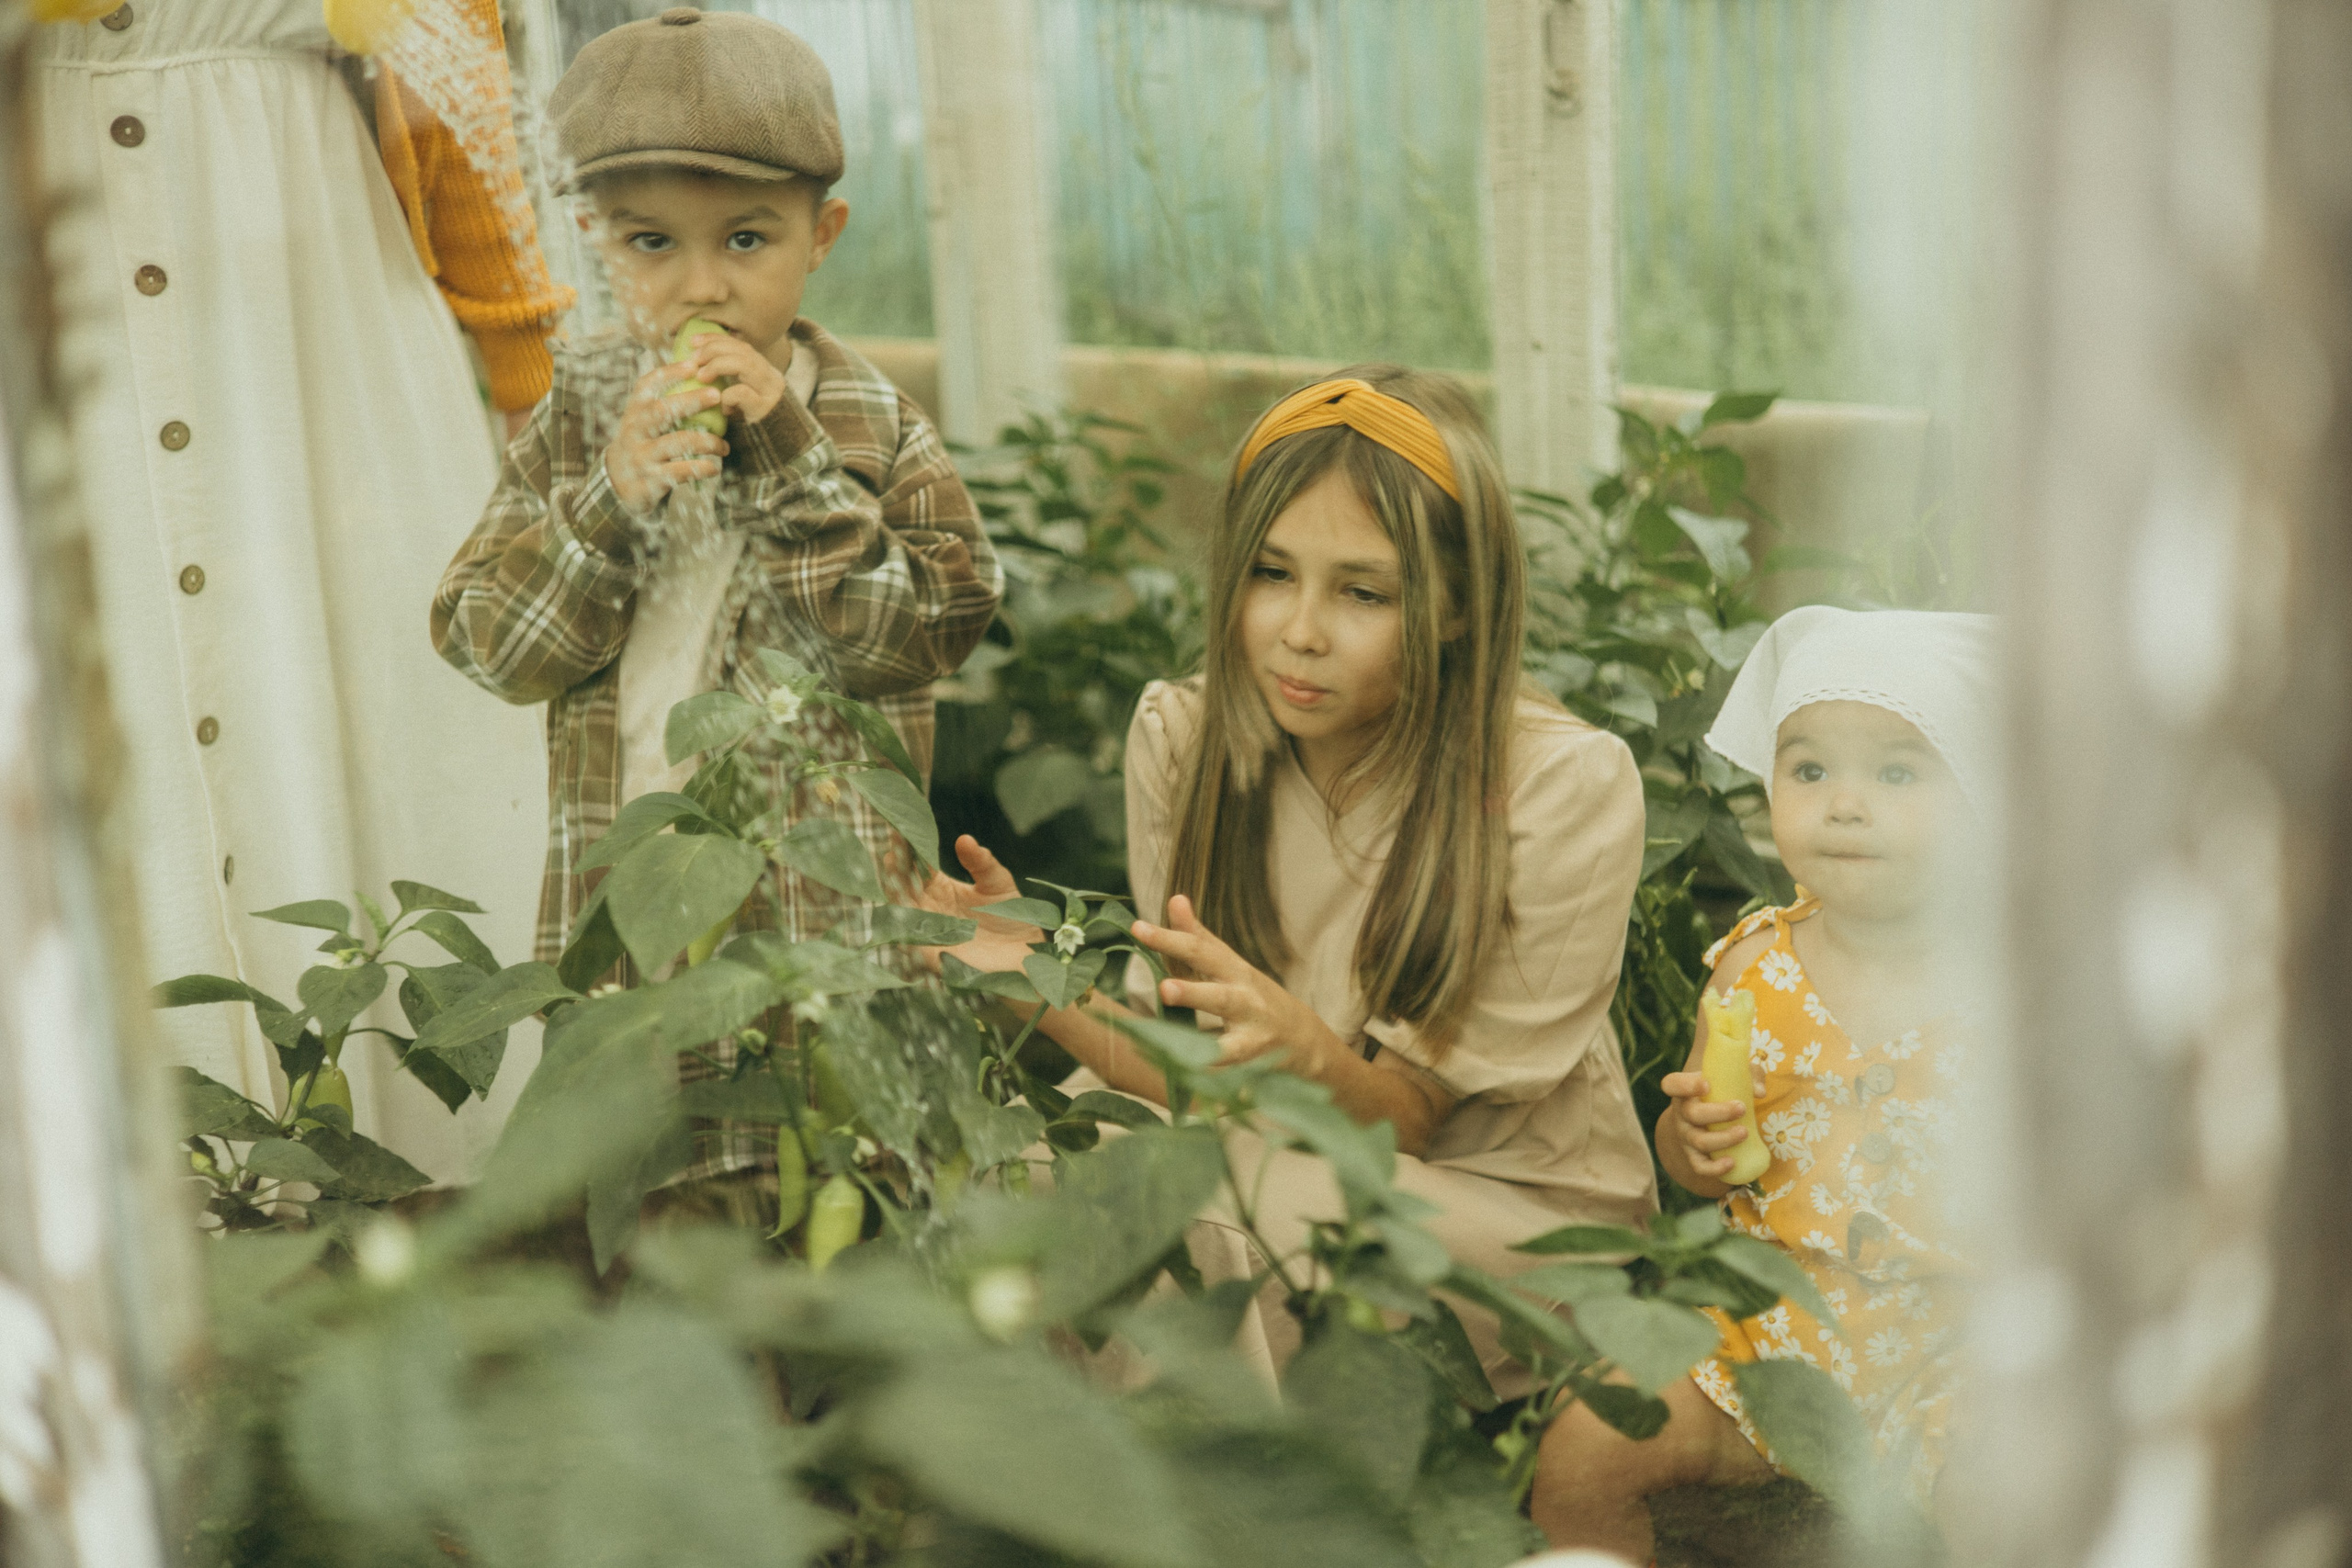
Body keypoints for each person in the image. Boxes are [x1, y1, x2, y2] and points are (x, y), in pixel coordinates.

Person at [927, 367, 1657, 1393]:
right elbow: (1183, 1079)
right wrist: (1040, 982)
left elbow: (1401, 1123)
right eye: (1272, 573)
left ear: (1455, 607)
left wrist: (1305, 1050)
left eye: (1362, 591)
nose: (1300, 630)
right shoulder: (1186, 743)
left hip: (1503, 1209)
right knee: (1024, 1183)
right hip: (1252, 1147)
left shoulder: (1554, 785)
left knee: (1192, 1222)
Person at [432, 7, 1001, 1198]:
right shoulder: (583, 416)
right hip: (623, 912)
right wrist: (608, 501)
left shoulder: (874, 426)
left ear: (823, 234)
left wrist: (795, 460)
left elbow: (918, 639)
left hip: (823, 931)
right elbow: (488, 640)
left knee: (826, 1182)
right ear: (595, 241)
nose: (704, 288)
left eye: (747, 238)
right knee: (637, 1206)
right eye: (651, 243)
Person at [33, 0, 571, 1172]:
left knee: (408, 733)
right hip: (41, 280)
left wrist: (526, 360)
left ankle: (456, 1231)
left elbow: (449, 41)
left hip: (315, 301)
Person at [1531, 606, 1993, 1556]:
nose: (1842, 803)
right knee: (1587, 1442)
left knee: (2007, 1504)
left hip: (1962, 1352)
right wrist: (1690, 1143)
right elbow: (1710, 1169)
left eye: (1896, 771)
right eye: (1808, 768)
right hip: (1775, 1332)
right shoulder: (1753, 970)